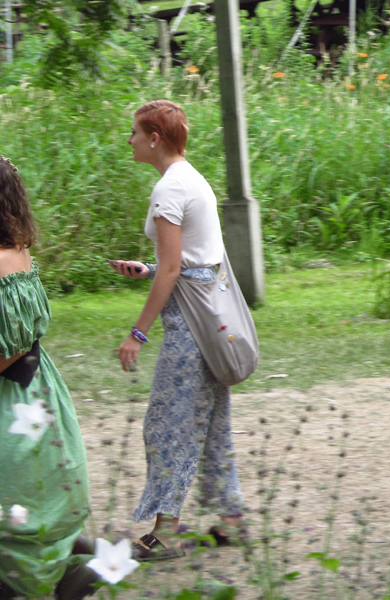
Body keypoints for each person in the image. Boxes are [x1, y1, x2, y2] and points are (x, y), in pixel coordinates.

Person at [109, 100, 245, 560]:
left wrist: (138, 333)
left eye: (132, 133)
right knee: (209, 423)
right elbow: (192, 264)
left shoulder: (169, 189)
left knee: (167, 425)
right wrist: (146, 269)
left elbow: (173, 270)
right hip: (212, 323)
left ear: (153, 138)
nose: (128, 140)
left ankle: (165, 534)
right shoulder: (192, 179)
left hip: (190, 328)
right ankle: (230, 518)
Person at [0, 155, 97, 599]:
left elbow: (9, 349)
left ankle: (39, 580)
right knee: (39, 490)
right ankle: (70, 560)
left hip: (11, 394)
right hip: (37, 387)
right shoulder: (19, 250)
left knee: (15, 495)